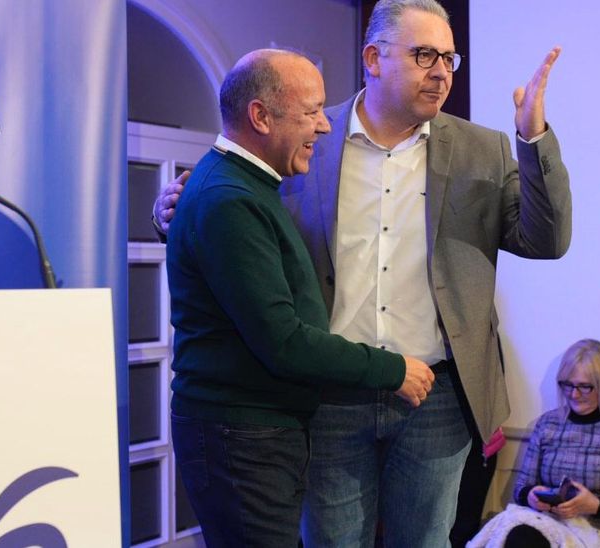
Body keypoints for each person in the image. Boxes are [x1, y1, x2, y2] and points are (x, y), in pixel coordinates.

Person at [157, 1, 571, 544]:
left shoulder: (482, 149)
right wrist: (171, 213)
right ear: (373, 58)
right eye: (425, 54)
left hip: (437, 396)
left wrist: (532, 137)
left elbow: (547, 240)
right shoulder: (303, 133)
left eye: (450, 57)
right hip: (329, 391)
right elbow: (232, 216)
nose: (442, 70)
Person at [165, 49, 434, 548]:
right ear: (261, 117)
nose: (324, 127)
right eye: (311, 111)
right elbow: (283, 341)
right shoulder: (230, 198)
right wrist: (393, 370)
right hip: (242, 436)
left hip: (251, 432)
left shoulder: (243, 185)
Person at [469, 339, 600, 547]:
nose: (574, 394)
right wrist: (532, 496)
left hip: (596, 527)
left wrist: (595, 505)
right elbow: (521, 488)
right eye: (567, 385)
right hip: (546, 520)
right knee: (521, 536)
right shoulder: (548, 424)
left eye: (584, 387)